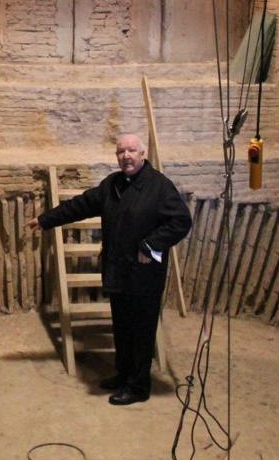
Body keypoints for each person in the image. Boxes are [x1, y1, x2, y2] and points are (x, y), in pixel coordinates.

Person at [26, 133, 192, 405]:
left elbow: (181, 221)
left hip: (144, 276)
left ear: (142, 155)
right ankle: (123, 375)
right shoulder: (112, 185)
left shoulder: (159, 186)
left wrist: (150, 246)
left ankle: (138, 387)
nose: (125, 156)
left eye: (131, 151)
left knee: (141, 331)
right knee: (122, 327)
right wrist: (46, 220)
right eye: (120, 151)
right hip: (117, 271)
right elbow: (81, 205)